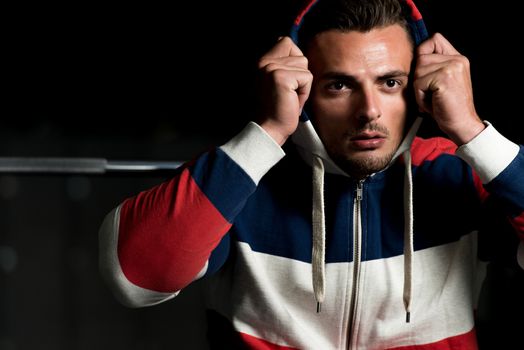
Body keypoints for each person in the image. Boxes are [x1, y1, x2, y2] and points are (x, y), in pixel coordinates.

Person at [98, 0, 524, 348]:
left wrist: (471, 129)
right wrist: (269, 132)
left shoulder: (457, 174)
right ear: (302, 93)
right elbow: (136, 280)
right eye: (339, 85)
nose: (369, 110)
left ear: (416, 90)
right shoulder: (246, 177)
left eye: (389, 83)